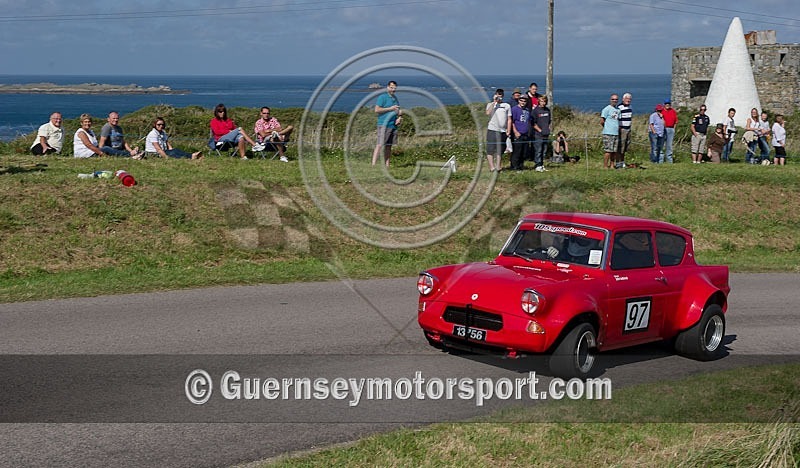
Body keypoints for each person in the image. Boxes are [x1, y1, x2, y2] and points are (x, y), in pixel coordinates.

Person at [371, 80, 402, 166]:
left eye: (394, 88)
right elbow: (377, 110)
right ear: (387, 87)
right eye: (391, 87)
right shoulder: (382, 97)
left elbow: (398, 110)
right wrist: (390, 108)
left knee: (389, 146)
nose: (393, 89)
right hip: (384, 124)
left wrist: (399, 118)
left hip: (393, 125)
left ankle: (387, 164)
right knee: (380, 144)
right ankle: (373, 164)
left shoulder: (395, 98)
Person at [484, 88, 511, 172]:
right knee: (490, 149)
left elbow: (509, 119)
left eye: (501, 95)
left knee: (500, 150)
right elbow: (488, 113)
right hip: (492, 129)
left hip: (502, 131)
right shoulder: (490, 104)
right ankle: (492, 167)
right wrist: (494, 102)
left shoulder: (506, 105)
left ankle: (498, 167)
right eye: (498, 95)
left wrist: (508, 130)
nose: (499, 97)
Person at [509, 95, 531, 171]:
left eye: (524, 101)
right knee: (517, 152)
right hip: (518, 133)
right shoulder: (514, 109)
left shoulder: (527, 110)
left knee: (524, 152)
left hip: (525, 133)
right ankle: (514, 167)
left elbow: (528, 121)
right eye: (521, 100)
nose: (523, 102)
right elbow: (512, 121)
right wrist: (515, 131)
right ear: (518, 101)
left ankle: (521, 166)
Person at [530, 95, 551, 172]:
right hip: (538, 134)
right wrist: (539, 130)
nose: (543, 103)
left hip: (546, 133)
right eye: (542, 101)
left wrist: (547, 129)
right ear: (539, 101)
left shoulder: (547, 110)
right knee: (538, 150)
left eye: (544, 101)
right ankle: (537, 165)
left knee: (544, 151)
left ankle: (542, 165)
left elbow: (549, 121)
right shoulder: (535, 111)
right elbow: (533, 122)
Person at [600, 94, 620, 169]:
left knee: (614, 151)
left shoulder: (618, 110)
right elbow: (602, 121)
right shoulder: (606, 109)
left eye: (616, 99)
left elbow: (618, 120)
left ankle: (612, 165)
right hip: (608, 133)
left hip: (616, 133)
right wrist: (607, 128)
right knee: (608, 151)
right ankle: (605, 166)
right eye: (613, 99)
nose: (614, 101)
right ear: (610, 100)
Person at [617, 93, 633, 168]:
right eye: (627, 98)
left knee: (626, 146)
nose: (628, 100)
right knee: (620, 147)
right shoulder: (619, 107)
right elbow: (617, 118)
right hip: (622, 129)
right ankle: (618, 162)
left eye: (630, 99)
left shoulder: (630, 107)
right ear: (623, 99)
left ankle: (622, 162)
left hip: (628, 129)